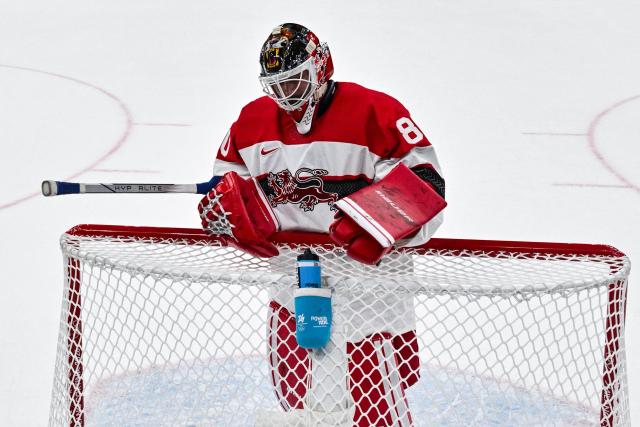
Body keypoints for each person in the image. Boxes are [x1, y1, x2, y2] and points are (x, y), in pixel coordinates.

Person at [198, 23, 446, 427]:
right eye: (276, 87)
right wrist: (232, 217)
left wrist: (375, 223)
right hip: (291, 278)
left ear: (321, 66)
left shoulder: (375, 111)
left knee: (374, 406)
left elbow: (428, 187)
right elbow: (226, 186)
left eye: (295, 82)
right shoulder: (251, 121)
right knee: (296, 396)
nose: (287, 97)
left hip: (369, 284)